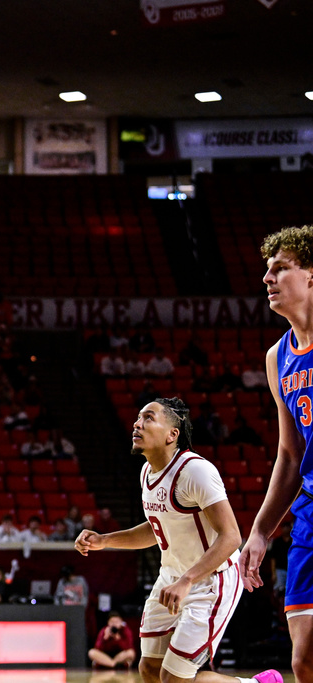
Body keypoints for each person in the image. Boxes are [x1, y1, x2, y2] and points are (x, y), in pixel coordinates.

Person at [75, 398, 280, 683]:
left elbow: (232, 536)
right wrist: (104, 540)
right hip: (171, 579)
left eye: (148, 418)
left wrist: (187, 581)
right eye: (137, 418)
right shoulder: (147, 472)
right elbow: (158, 528)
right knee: (149, 670)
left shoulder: (195, 471)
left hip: (209, 581)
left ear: (172, 434)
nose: (137, 423)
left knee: (174, 679)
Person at [240, 226, 313, 683]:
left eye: (280, 268)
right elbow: (290, 454)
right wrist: (261, 532)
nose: (268, 277)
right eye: (266, 269)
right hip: (308, 513)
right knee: (303, 659)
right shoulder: (278, 356)